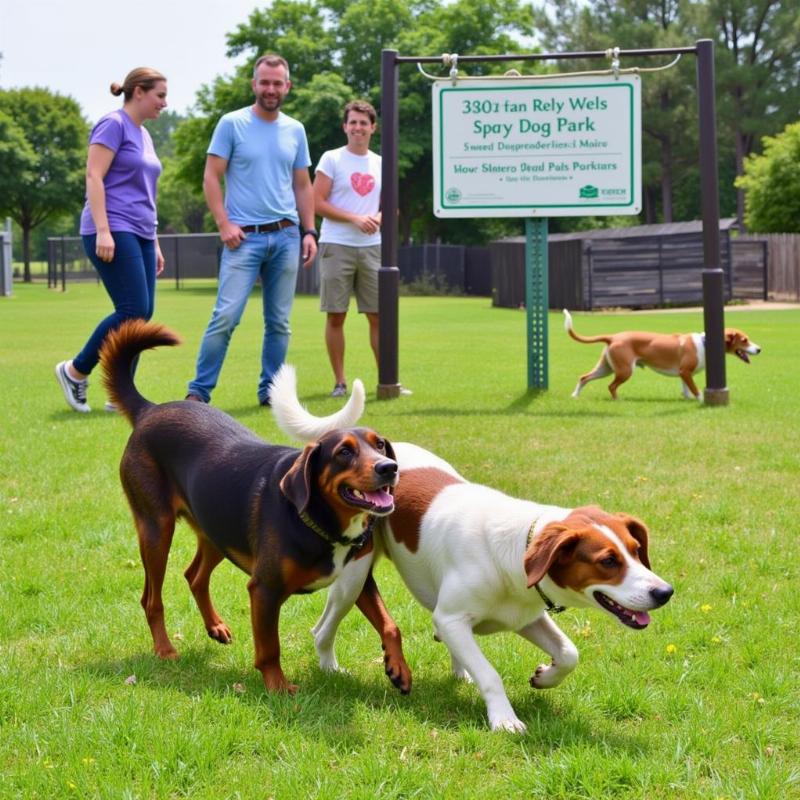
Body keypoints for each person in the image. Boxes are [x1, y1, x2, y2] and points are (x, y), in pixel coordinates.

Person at [186, 54, 318, 407]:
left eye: (277, 83)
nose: (271, 89)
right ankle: (198, 393)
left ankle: (271, 394)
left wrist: (309, 231)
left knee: (279, 323)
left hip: (287, 235)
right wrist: (223, 224)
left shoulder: (295, 130)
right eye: (264, 82)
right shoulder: (232, 124)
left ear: (287, 86)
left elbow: (303, 185)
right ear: (254, 84)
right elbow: (211, 176)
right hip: (243, 237)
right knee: (226, 317)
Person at [55, 67, 167, 413]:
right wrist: (103, 230)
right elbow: (94, 175)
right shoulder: (113, 124)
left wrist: (156, 239)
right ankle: (75, 370)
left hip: (142, 231)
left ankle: (120, 394)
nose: (165, 102)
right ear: (138, 93)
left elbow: (146, 191)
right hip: (113, 227)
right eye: (160, 95)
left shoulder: (144, 135)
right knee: (132, 309)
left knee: (141, 314)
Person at [313, 100, 381, 397]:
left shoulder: (380, 162)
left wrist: (376, 218)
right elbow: (316, 202)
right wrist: (355, 218)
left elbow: (390, 207)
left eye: (363, 123)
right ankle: (340, 382)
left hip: (372, 247)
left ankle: (386, 380)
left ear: (372, 128)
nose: (358, 128)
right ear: (345, 126)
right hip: (337, 244)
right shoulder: (332, 159)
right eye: (352, 122)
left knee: (378, 316)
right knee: (336, 315)